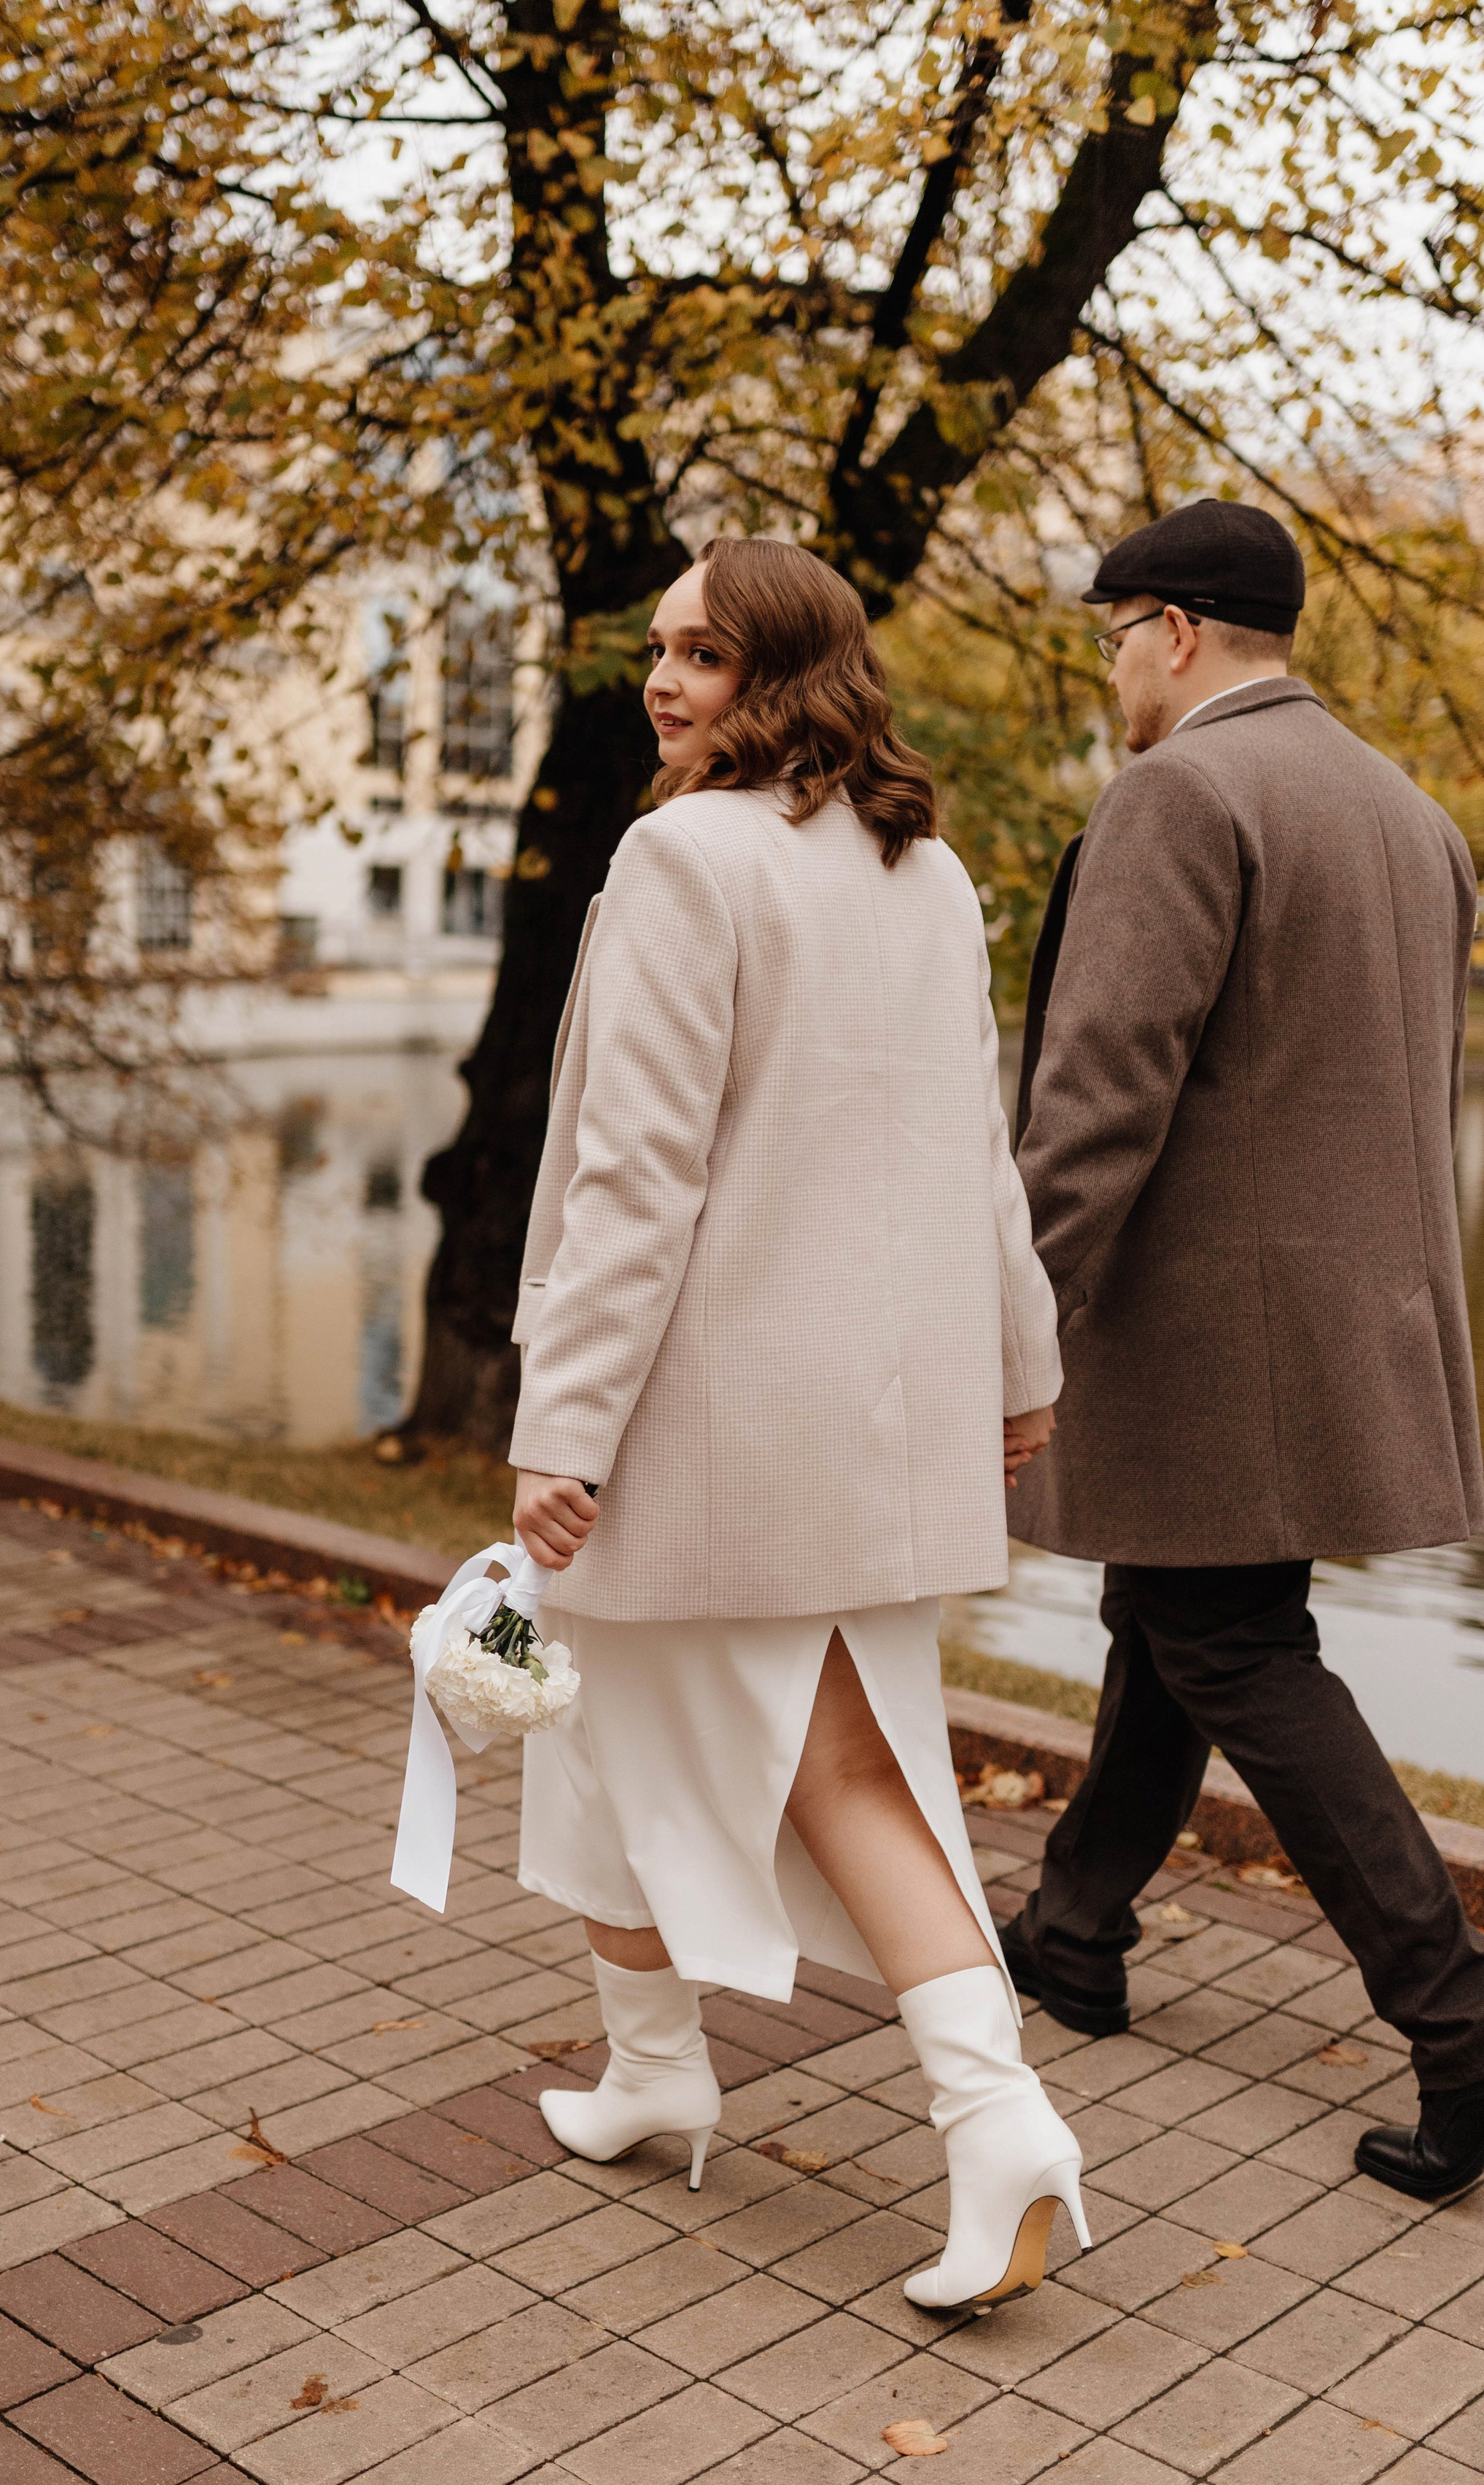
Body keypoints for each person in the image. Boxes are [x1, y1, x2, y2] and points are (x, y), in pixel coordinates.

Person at [502, 535, 1085, 2313]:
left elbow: (633, 1176)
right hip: (859, 1418)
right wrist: (1018, 1362)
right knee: (588, 1724)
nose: (667, 682)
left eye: (709, 655)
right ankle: (653, 2068)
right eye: (662, 650)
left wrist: (563, 1422)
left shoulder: (682, 856)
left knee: (837, 1771)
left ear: (789, 675)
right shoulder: (928, 872)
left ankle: (1000, 2129)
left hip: (714, 1421)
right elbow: (976, 1160)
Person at [1003, 496, 1484, 2202]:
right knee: (1176, 1613)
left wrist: (1007, 1310)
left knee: (1230, 1640)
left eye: (1112, 632)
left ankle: (1456, 2014)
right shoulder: (1408, 812)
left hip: (1212, 1336)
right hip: (1343, 1325)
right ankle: (1072, 1928)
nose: (1108, 668)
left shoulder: (1179, 792)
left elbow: (1095, 1096)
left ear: (1178, 631)